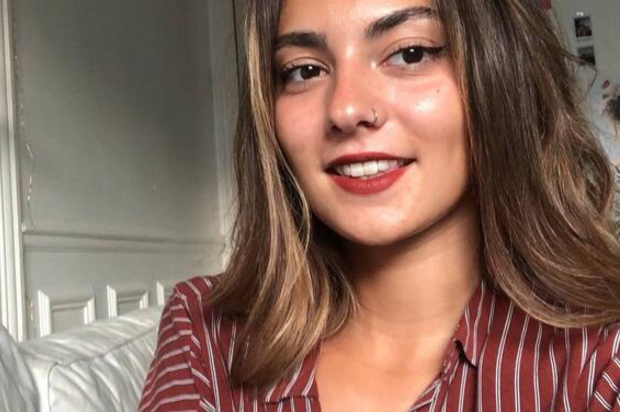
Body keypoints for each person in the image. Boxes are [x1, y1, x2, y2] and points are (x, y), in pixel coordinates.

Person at [139, 0, 620, 410]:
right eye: (305, 70)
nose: (345, 110)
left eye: (410, 53)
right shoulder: (203, 336)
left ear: (501, 71)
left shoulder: (603, 361)